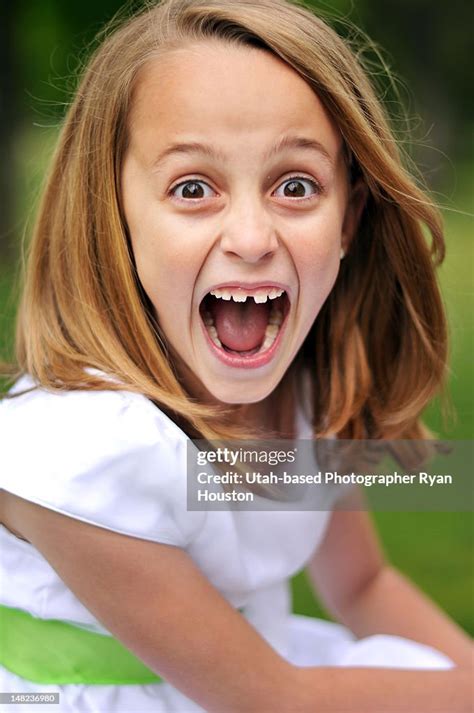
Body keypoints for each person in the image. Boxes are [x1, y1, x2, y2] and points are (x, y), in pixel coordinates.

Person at [0, 0, 472, 711]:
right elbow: (271, 698)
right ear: (115, 218)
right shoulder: (88, 449)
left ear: (347, 217)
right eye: (193, 188)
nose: (250, 237)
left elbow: (362, 584)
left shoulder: (307, 391)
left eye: (295, 186)